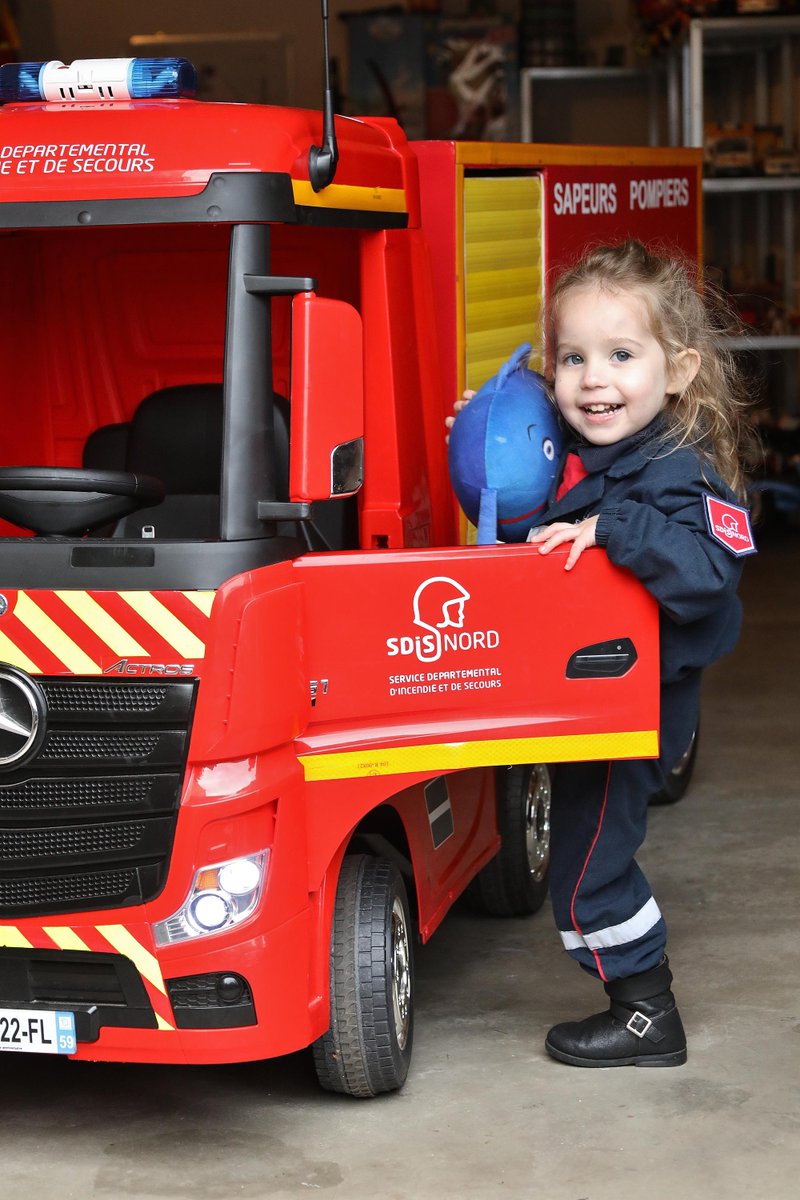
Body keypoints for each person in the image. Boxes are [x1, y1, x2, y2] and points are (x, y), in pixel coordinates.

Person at [449, 239, 758, 1067]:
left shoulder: (675, 471)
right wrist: (490, 449)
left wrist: (613, 531)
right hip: (588, 698)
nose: (594, 380)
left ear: (680, 370)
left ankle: (646, 1009)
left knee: (588, 870)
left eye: (623, 356)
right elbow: (532, 536)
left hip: (638, 708)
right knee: (587, 849)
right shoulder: (586, 449)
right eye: (573, 358)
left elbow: (708, 570)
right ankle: (639, 1000)